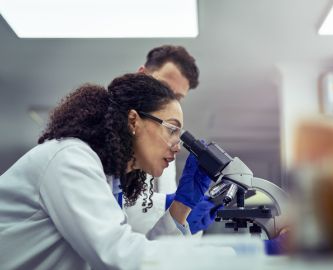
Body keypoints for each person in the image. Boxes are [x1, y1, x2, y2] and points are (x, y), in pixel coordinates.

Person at [0, 73, 211, 269]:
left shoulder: (110, 178)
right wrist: (216, 260)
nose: (177, 145)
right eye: (172, 129)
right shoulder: (70, 159)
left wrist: (182, 206)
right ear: (133, 121)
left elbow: (134, 256)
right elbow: (117, 256)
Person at [125, 45, 219, 235]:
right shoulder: (97, 147)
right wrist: (168, 204)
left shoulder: (165, 152)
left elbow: (161, 241)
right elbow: (114, 230)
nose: (167, 102)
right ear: (141, 75)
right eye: (163, 88)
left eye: (176, 97)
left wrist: (183, 211)